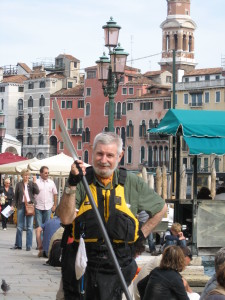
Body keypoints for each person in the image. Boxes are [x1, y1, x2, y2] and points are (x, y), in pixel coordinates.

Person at [57, 132, 167, 300]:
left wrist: (141, 235)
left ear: (120, 156)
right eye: (100, 154)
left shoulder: (131, 183)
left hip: (119, 264)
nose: (104, 160)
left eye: (110, 155)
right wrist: (72, 183)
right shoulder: (81, 180)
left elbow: (161, 208)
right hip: (83, 265)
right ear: (92, 152)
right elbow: (65, 218)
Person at [11, 169, 39, 251]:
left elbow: (37, 191)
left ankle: (28, 246)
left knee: (30, 227)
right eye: (25, 175)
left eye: (28, 175)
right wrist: (13, 205)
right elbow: (15, 197)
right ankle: (18, 245)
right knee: (19, 226)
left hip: (30, 205)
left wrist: (34, 182)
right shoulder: (19, 184)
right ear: (22, 176)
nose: (27, 177)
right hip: (21, 205)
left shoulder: (31, 183)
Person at [35, 166, 58, 245]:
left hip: (48, 207)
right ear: (41, 173)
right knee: (39, 227)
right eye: (45, 173)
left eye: (48, 173)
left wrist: (54, 205)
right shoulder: (36, 182)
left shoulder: (51, 182)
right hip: (38, 207)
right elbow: (31, 193)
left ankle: (45, 244)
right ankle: (39, 244)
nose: (47, 174)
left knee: (47, 227)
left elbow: (55, 194)